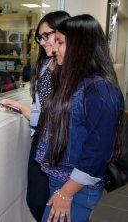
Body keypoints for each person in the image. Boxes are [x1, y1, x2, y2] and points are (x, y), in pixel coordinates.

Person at [36, 14, 124, 222]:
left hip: (74, 188)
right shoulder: (73, 81)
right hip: (61, 181)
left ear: (81, 46)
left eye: (60, 42)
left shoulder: (99, 90)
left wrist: (66, 192)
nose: (54, 48)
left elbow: (98, 151)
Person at [0, 11, 70, 222]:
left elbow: (65, 117)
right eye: (40, 37)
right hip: (41, 138)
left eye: (47, 35)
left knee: (59, 204)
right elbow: (41, 103)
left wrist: (30, 114)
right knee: (36, 200)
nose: (43, 42)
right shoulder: (43, 64)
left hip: (62, 143)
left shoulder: (72, 70)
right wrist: (26, 110)